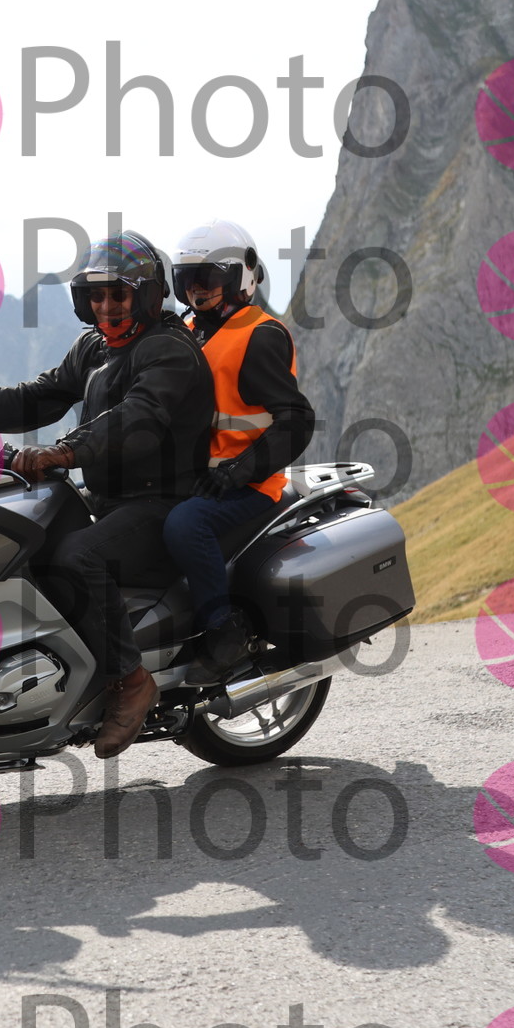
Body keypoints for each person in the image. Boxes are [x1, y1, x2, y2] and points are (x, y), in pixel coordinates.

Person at [0, 232, 213, 758]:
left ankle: (131, 681)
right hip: (107, 498)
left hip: (164, 503)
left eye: (119, 294)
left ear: (148, 294)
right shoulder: (95, 347)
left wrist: (63, 451)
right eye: (97, 295)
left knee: (76, 557)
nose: (106, 306)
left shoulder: (169, 350)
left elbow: (137, 419)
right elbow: (38, 395)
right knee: (17, 535)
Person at [164, 219, 316, 685]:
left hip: (249, 485)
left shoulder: (259, 335)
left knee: (186, 525)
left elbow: (296, 420)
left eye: (208, 277)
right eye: (188, 279)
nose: (197, 288)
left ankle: (222, 631)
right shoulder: (189, 329)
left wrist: (238, 471)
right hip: (197, 478)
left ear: (241, 276)